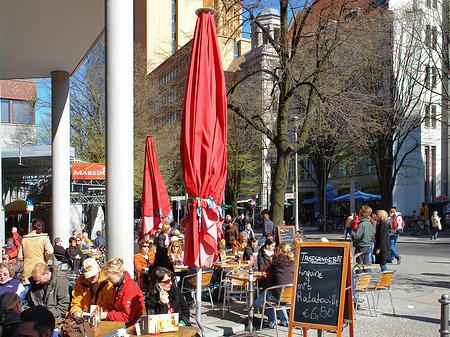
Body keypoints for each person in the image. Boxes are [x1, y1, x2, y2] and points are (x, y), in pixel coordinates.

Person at [254, 243, 294, 328]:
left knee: (267, 296)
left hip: (279, 295)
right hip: (290, 296)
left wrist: (266, 287)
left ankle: (270, 320)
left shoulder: (275, 263)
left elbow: (270, 280)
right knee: (275, 296)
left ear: (280, 251)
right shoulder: (292, 263)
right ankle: (284, 321)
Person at [101, 258, 144, 327]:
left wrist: (107, 315)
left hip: (130, 326)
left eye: (110, 278)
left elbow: (127, 317)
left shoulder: (130, 288)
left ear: (117, 274)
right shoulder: (117, 286)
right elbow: (111, 306)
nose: (109, 281)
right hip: (118, 323)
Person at [17, 218, 53, 286]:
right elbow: (50, 251)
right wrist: (45, 259)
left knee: (28, 291)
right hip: (41, 270)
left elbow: (19, 257)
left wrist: (26, 259)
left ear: (32, 227)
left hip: (28, 269)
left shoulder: (25, 239)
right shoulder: (44, 238)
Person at [352, 205, 375, 272]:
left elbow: (357, 236)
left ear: (361, 215)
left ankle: (359, 279)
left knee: (359, 265)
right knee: (366, 264)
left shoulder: (362, 225)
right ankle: (365, 279)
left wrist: (353, 235)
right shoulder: (370, 224)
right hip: (367, 245)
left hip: (361, 246)